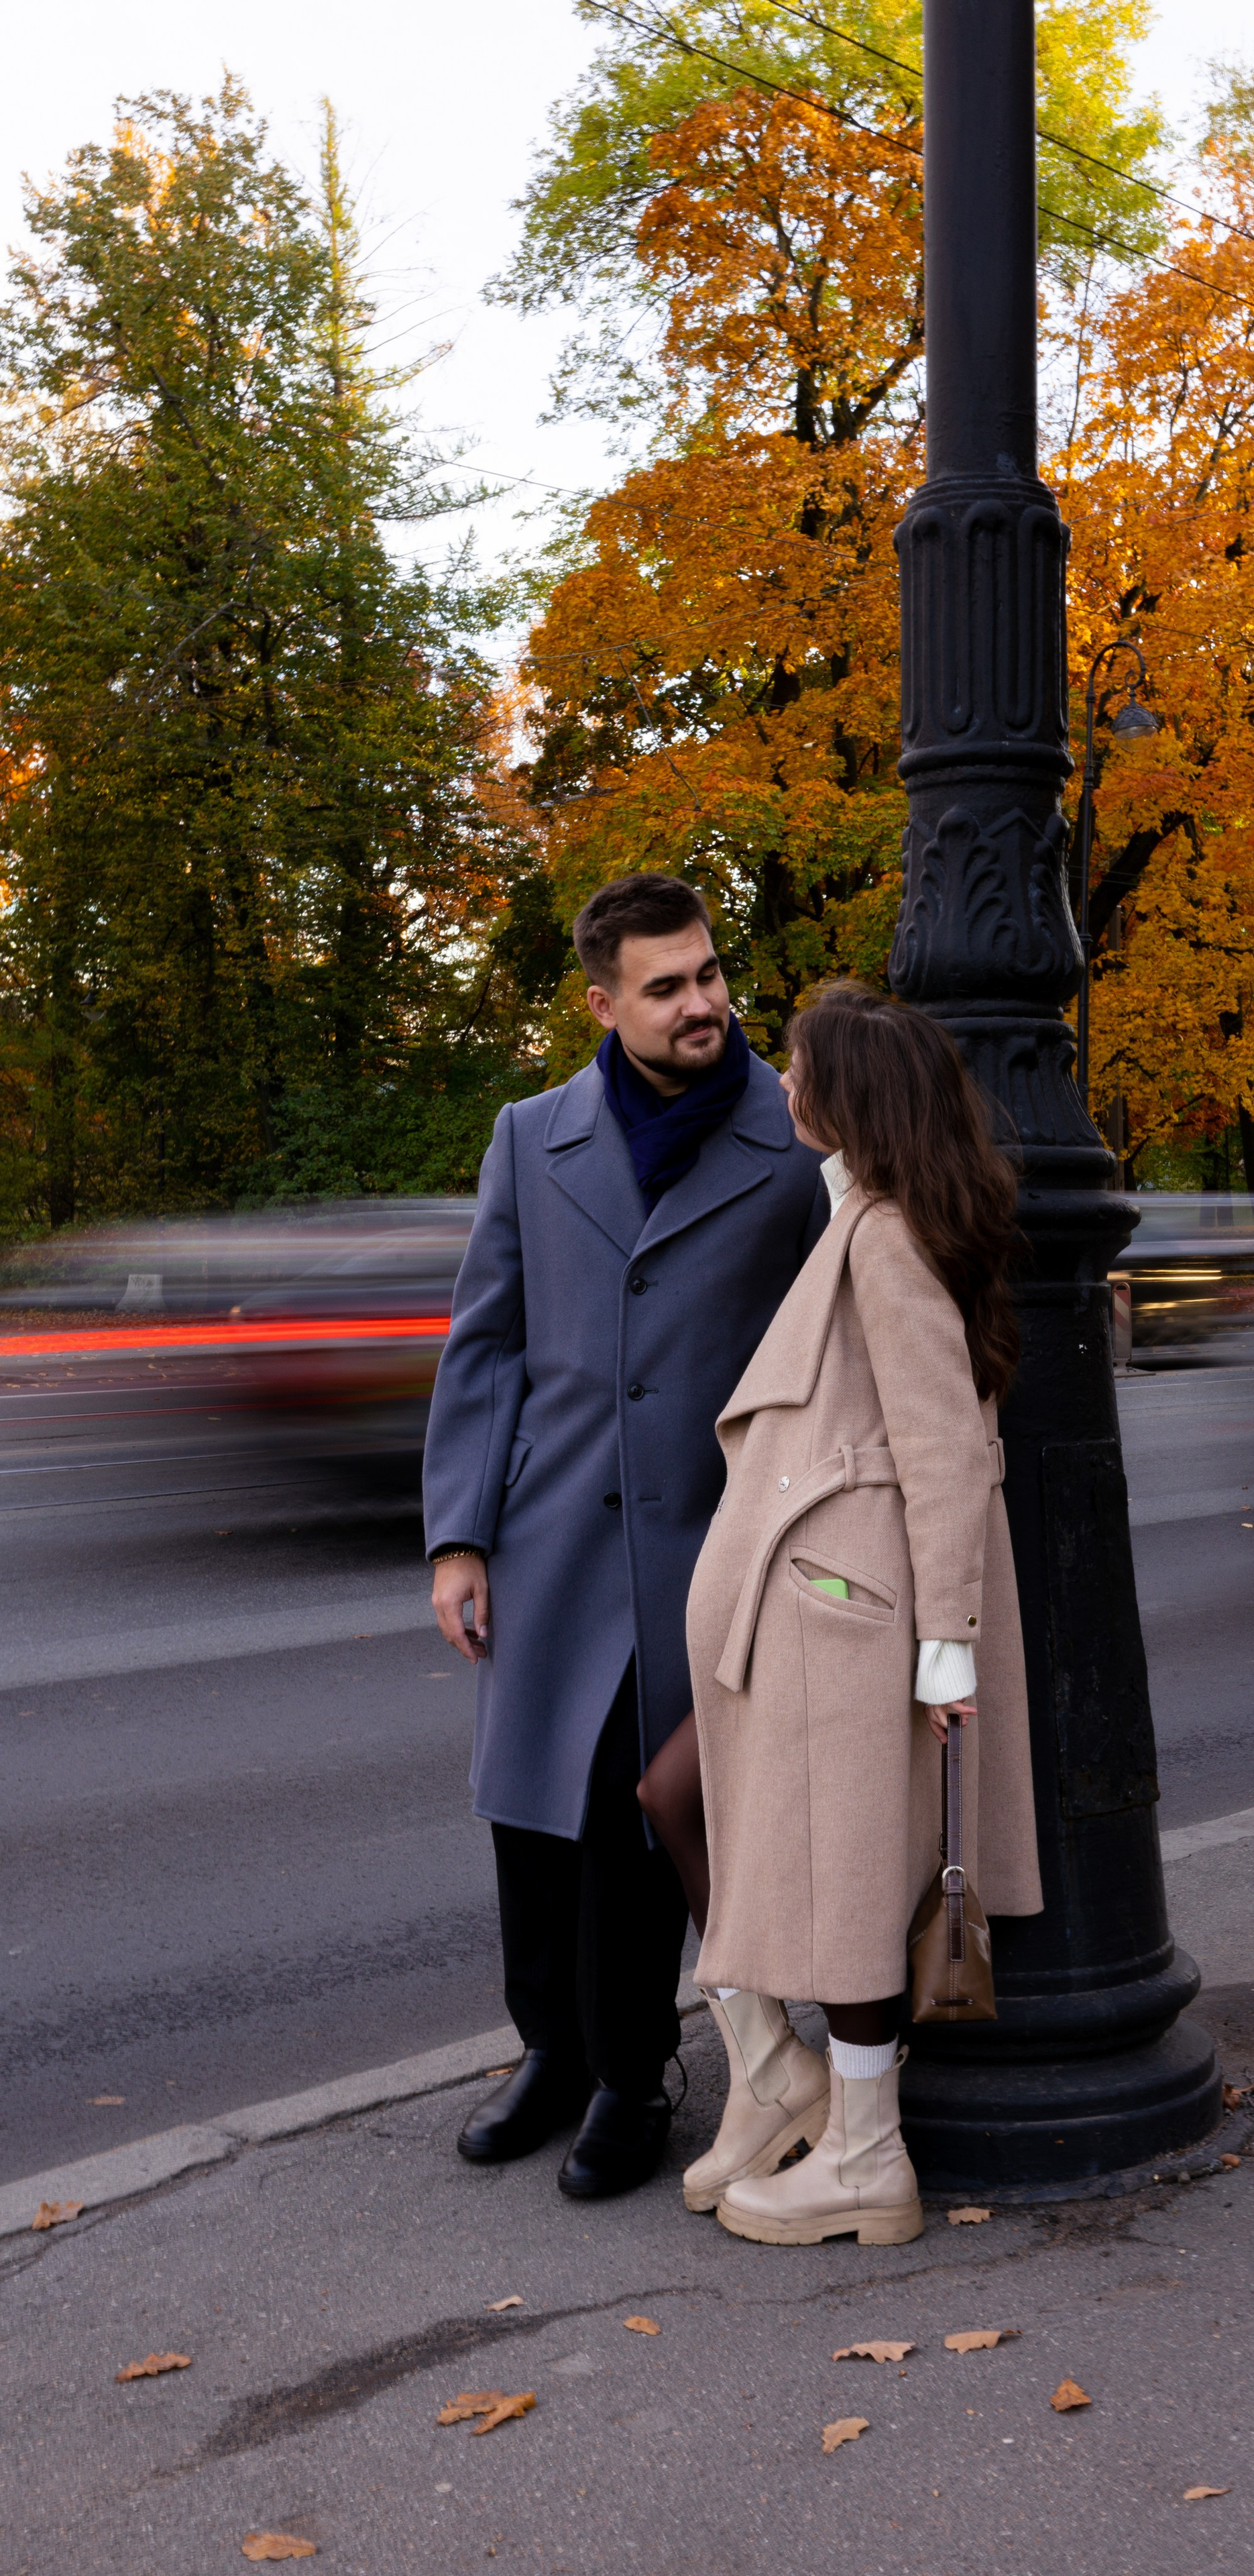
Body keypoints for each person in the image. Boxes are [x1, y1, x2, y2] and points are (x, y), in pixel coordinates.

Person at [423, 874, 827, 2200]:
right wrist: (459, 1538)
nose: (702, 1002)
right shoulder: (530, 1137)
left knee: (636, 1821)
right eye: (667, 986)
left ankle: (629, 2074)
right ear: (603, 1003)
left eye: (708, 974)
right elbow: (484, 1349)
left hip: (706, 1547)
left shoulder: (795, 1136)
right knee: (526, 1813)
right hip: (549, 1538)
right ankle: (544, 2051)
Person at [638, 979, 1043, 2246]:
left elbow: (944, 1448)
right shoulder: (864, 1215)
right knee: (681, 1800)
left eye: (804, 1071)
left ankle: (866, 2154)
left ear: (853, 1095)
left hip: (854, 1607)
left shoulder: (884, 1235)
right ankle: (774, 2081)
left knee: (853, 1880)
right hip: (824, 1602)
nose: (787, 1087)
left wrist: (942, 1648)